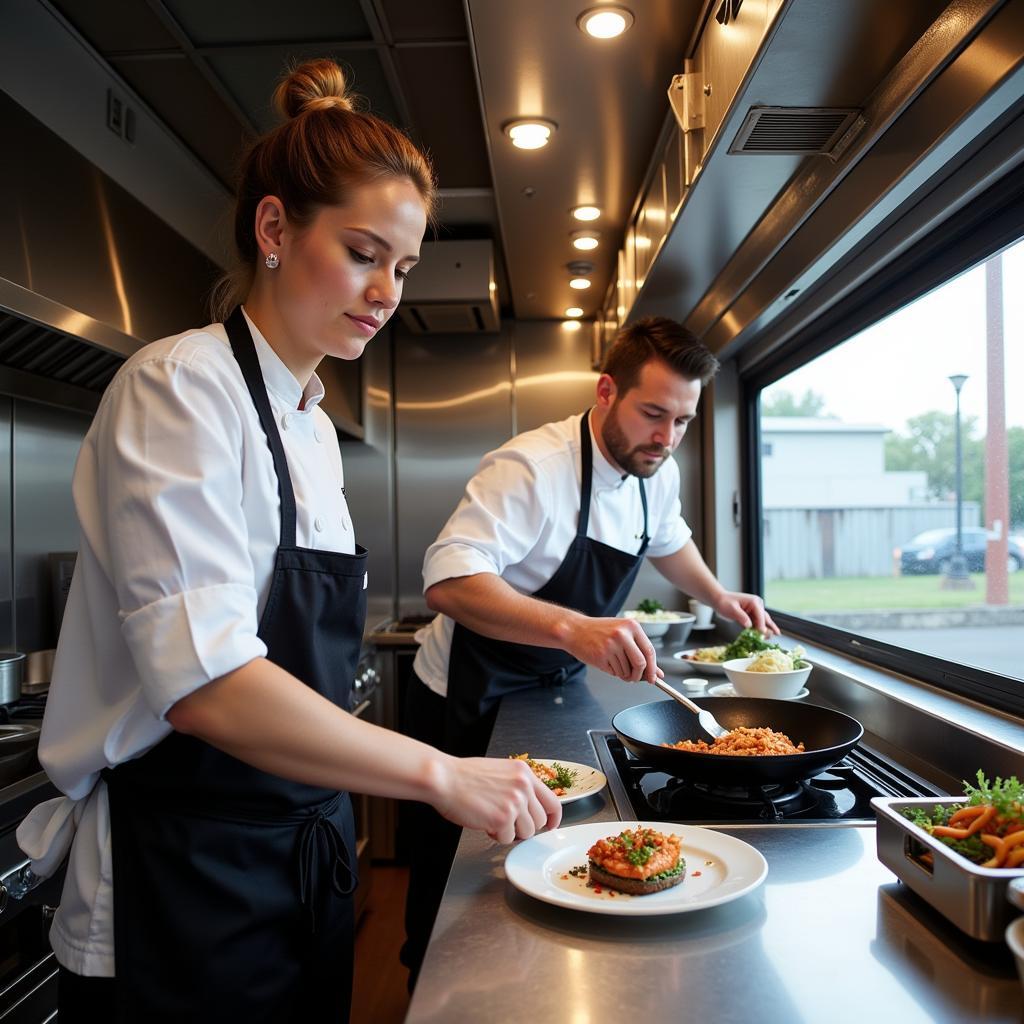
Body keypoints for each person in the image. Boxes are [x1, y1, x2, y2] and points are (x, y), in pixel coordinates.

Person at [16, 59, 560, 1024]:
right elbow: (210, 683)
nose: (386, 291)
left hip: (297, 860)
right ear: (274, 230)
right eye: (362, 252)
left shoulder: (309, 421)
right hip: (180, 881)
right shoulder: (178, 387)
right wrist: (438, 773)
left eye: (403, 266)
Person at [400, 315, 778, 980]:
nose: (666, 438)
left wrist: (720, 597)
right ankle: (428, 982)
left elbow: (669, 539)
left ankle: (525, 981)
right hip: (465, 694)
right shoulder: (531, 469)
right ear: (606, 391)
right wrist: (574, 629)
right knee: (455, 871)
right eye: (653, 414)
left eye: (683, 421)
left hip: (552, 687)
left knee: (536, 854)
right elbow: (448, 583)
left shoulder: (654, 469)